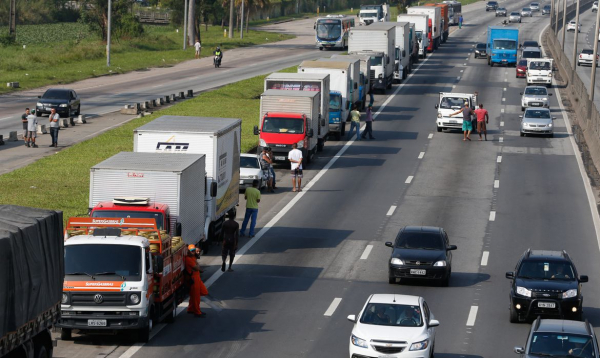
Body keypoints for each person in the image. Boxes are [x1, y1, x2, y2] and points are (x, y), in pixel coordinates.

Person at [185, 245, 208, 317]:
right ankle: (197, 312)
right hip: (193, 279)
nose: (194, 252)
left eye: (194, 251)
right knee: (196, 297)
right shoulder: (188, 259)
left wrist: (198, 267)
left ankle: (191, 308)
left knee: (203, 292)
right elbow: (197, 267)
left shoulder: (193, 257)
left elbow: (197, 266)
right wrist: (199, 269)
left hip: (197, 277)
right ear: (188, 251)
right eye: (192, 251)